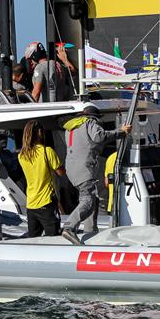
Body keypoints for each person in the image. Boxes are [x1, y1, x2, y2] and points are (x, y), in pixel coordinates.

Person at [61, 103, 131, 244]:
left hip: (71, 169)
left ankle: (90, 232)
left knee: (92, 199)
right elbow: (99, 136)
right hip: (84, 168)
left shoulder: (71, 127)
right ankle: (69, 227)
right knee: (88, 199)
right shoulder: (90, 122)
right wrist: (121, 132)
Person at [18, 120, 66, 237]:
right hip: (46, 202)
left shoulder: (22, 155)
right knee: (53, 238)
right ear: (39, 132)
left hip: (31, 203)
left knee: (33, 240)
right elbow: (61, 173)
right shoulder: (47, 151)